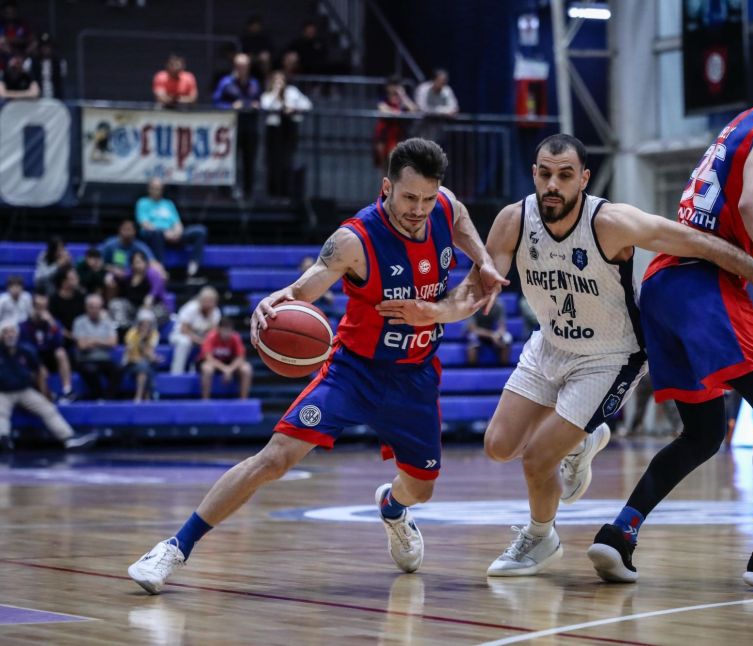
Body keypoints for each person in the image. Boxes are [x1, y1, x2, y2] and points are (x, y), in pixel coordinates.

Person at [376, 134, 753, 578]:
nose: (553, 185)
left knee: (538, 458)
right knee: (498, 446)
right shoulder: (513, 220)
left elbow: (702, 243)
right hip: (549, 345)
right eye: (545, 174)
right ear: (534, 174)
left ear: (583, 179)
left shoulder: (611, 222)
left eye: (565, 175)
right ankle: (581, 441)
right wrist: (433, 312)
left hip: (610, 355)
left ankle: (540, 538)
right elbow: (474, 290)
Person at [128, 137, 506, 594]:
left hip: (414, 377)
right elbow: (304, 289)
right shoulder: (354, 240)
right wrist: (277, 300)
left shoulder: (443, 206)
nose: (419, 209)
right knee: (274, 459)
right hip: (354, 371)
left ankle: (391, 507)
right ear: (386, 187)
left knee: (421, 488)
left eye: (427, 199)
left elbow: (460, 218)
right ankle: (174, 547)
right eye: (409, 198)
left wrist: (482, 259)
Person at [577, 43, 753, 592]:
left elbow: (736, 206)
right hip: (701, 281)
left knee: (705, 432)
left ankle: (619, 532)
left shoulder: (747, 121)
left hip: (663, 283)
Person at [0, 319, 97, 452]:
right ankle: (3, 440)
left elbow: (39, 371)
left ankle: (69, 438)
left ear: (17, 334)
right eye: (6, 332)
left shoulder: (25, 350)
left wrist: (44, 392)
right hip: (3, 392)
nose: (9, 335)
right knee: (1, 413)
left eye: (12, 332)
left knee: (48, 409)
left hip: (24, 390)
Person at [136, 178, 208, 278]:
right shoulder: (143, 202)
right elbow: (144, 224)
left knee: (200, 231)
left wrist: (177, 232)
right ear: (149, 189)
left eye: (159, 189)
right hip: (154, 235)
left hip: (172, 235)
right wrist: (165, 233)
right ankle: (160, 268)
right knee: (157, 233)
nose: (157, 191)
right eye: (154, 188)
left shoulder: (168, 203)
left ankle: (194, 264)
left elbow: (177, 223)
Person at [213, 53, 261, 199]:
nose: (242, 69)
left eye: (245, 66)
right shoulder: (226, 82)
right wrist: (231, 106)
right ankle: (225, 192)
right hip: (231, 128)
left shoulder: (254, 83)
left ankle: (248, 192)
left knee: (249, 159)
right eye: (240, 66)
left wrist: (257, 105)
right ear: (234, 66)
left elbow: (260, 101)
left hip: (250, 127)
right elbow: (216, 102)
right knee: (229, 159)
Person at [260, 70, 312, 198]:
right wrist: (276, 93)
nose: (279, 83)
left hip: (289, 129)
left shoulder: (292, 92)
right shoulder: (268, 95)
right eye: (276, 81)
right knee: (273, 161)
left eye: (281, 80)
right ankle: (272, 193)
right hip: (273, 130)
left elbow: (308, 105)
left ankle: (286, 192)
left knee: (287, 160)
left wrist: (294, 108)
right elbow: (266, 106)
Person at [20, 293, 75, 402]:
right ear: (32, 307)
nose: (41, 310)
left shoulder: (53, 323)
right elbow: (25, 348)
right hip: (34, 358)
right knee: (42, 371)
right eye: (38, 306)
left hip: (50, 357)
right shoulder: (24, 325)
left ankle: (67, 390)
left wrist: (52, 324)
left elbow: (59, 342)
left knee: (61, 353)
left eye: (44, 307)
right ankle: (47, 397)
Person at [72, 293, 120, 400]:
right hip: (86, 359)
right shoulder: (79, 322)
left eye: (97, 307)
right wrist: (103, 341)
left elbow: (113, 343)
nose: (94, 310)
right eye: (91, 307)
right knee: (91, 370)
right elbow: (81, 345)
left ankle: (108, 398)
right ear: (86, 308)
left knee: (118, 369)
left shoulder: (108, 322)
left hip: (104, 359)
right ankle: (97, 397)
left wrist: (93, 340)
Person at [169, 286, 220, 375]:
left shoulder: (215, 312)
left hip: (201, 338)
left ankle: (206, 371)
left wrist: (210, 317)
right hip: (179, 335)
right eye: (207, 301)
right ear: (201, 300)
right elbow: (184, 329)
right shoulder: (191, 308)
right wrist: (199, 341)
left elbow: (213, 331)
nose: (209, 304)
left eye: (212, 301)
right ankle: (176, 373)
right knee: (185, 342)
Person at [198, 318, 251, 400]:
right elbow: (208, 357)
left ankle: (243, 400)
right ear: (219, 329)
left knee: (246, 369)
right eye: (224, 330)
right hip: (213, 363)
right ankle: (205, 400)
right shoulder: (211, 336)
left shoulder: (235, 337)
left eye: (229, 330)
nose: (227, 333)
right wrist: (225, 369)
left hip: (229, 363)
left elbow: (240, 357)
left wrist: (230, 369)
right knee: (207, 369)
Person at [373, 77, 417, 171]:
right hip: (383, 132)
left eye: (396, 85)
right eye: (392, 85)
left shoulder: (402, 99)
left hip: (397, 133)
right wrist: (399, 113)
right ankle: (384, 179)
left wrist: (403, 95)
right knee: (382, 161)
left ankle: (392, 179)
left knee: (393, 159)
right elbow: (383, 109)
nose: (394, 88)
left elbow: (413, 109)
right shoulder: (383, 97)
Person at [123, 309, 159, 403]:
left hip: (147, 363)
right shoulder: (131, 334)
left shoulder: (154, 334)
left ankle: (143, 397)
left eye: (148, 325)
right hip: (131, 363)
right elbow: (129, 357)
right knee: (144, 367)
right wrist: (140, 339)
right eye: (143, 324)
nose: (145, 327)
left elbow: (150, 355)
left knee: (145, 366)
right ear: (138, 324)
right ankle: (144, 396)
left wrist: (142, 343)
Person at [414, 69, 459, 143]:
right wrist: (444, 112)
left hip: (438, 129)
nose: (442, 84)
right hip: (421, 126)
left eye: (444, 81)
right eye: (440, 81)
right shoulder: (423, 89)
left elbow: (454, 108)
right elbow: (422, 108)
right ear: (434, 80)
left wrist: (437, 111)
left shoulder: (447, 90)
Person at [466, 297, 511, 365]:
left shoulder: (499, 305)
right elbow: (473, 329)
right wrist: (491, 335)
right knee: (472, 338)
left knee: (506, 338)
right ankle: (472, 368)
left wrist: (498, 334)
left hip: (492, 333)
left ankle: (504, 367)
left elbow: (502, 327)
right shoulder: (473, 305)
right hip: (479, 333)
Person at [23, 32, 66, 99]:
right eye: (43, 46)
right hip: (36, 100)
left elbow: (61, 79)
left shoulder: (60, 62)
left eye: (48, 46)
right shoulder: (30, 62)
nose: (45, 48)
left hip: (55, 99)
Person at [49, 267, 86, 343]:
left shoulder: (81, 297)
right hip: (61, 339)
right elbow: (53, 323)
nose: (77, 280)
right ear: (64, 282)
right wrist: (70, 336)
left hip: (81, 337)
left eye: (76, 277)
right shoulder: (53, 300)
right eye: (73, 278)